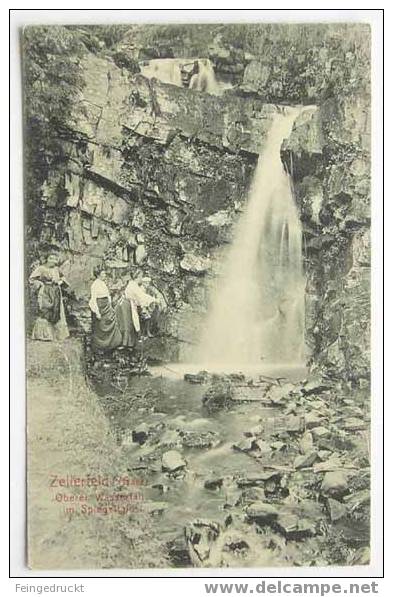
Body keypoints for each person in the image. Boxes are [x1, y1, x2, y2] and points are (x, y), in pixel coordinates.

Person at [29, 253, 69, 342]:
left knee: (56, 311)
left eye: (55, 259)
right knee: (46, 310)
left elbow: (63, 278)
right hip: (45, 292)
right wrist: (40, 284)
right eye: (51, 259)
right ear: (47, 259)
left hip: (56, 292)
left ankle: (57, 335)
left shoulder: (56, 269)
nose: (53, 261)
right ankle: (43, 335)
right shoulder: (41, 269)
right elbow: (32, 279)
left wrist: (59, 282)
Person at [89, 266, 122, 350]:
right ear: (98, 275)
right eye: (103, 273)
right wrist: (97, 312)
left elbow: (107, 296)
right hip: (100, 308)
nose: (105, 275)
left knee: (111, 322)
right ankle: (101, 347)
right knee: (100, 328)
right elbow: (93, 300)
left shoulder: (103, 283)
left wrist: (110, 305)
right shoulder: (95, 285)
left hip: (107, 307)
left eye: (104, 273)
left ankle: (112, 345)